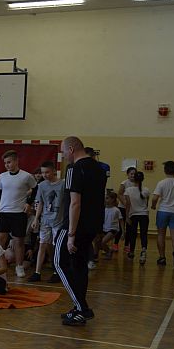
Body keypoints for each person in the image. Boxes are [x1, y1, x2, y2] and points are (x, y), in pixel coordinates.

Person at [54, 136, 106, 326]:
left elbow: (75, 203)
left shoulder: (74, 169)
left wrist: (71, 234)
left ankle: (82, 307)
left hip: (74, 226)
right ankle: (78, 310)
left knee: (59, 262)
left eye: (63, 151)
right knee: (79, 266)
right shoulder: (99, 169)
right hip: (92, 225)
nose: (63, 156)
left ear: (71, 149)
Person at [0, 150, 38, 278]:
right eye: (5, 163)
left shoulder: (26, 176)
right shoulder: (2, 176)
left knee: (18, 241)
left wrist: (29, 203)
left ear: (16, 161)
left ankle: (19, 266)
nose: (7, 165)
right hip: (3, 212)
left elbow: (36, 189)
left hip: (19, 213)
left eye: (9, 162)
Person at [28, 161, 65, 282]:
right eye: (43, 172)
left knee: (56, 246)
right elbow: (40, 203)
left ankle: (56, 271)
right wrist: (36, 219)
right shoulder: (42, 185)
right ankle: (37, 272)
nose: (45, 175)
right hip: (45, 220)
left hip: (58, 220)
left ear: (54, 171)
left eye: (47, 172)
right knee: (42, 244)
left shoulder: (62, 184)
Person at [123, 171, 150, 265]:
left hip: (133, 215)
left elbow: (128, 205)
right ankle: (143, 251)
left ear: (134, 179)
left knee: (132, 234)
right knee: (143, 234)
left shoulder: (128, 190)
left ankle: (131, 251)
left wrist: (127, 216)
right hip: (144, 215)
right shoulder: (146, 190)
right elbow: (146, 204)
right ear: (143, 179)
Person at [97, 192, 123, 261]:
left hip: (113, 229)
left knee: (103, 242)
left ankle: (108, 251)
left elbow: (121, 221)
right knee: (97, 242)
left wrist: (123, 232)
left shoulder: (116, 210)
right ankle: (107, 250)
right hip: (104, 228)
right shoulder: (103, 209)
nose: (105, 200)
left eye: (107, 198)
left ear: (112, 199)